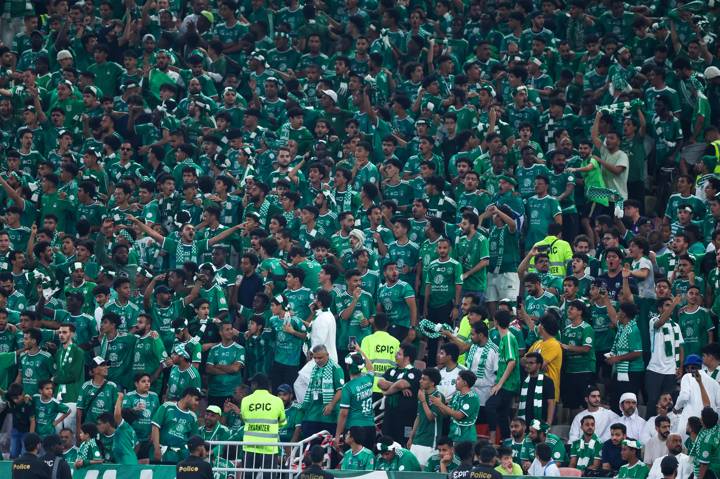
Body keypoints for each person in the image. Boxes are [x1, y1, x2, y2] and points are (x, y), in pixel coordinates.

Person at [240, 374, 286, 472]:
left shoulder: (245, 400)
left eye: (252, 384)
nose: (251, 386)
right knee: (268, 476)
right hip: (269, 447)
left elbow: (244, 419)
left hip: (250, 447)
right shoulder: (277, 401)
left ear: (255, 385)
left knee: (248, 476)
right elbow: (282, 422)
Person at [378, 342, 421, 445]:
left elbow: (401, 384)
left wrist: (387, 392)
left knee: (403, 445)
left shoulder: (415, 372)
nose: (395, 356)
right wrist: (399, 388)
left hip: (406, 420)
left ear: (407, 358)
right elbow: (380, 383)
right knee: (386, 445)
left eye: (399, 354)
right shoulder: (391, 371)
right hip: (389, 418)